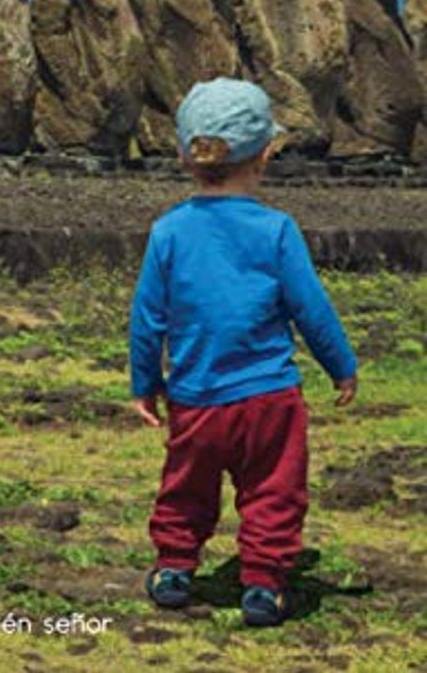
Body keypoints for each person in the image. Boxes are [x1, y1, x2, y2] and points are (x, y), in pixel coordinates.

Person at [129, 77, 358, 627]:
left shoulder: (169, 232)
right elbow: (311, 308)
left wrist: (145, 383)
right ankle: (263, 582)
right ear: (264, 156)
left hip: (196, 397)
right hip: (269, 396)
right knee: (274, 490)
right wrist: (341, 365)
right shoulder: (276, 230)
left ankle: (175, 567)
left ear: (185, 156)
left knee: (186, 484)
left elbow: (148, 318)